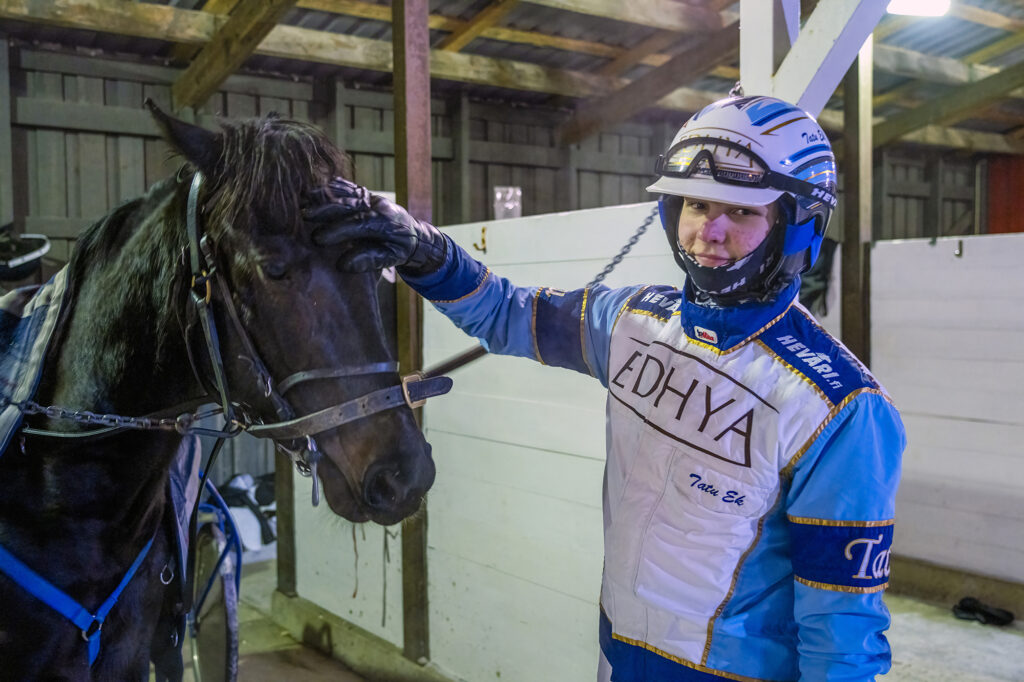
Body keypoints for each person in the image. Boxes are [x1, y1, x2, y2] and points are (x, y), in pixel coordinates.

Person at [306, 95, 906, 682]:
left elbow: (842, 628)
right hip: (617, 650)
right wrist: (422, 249)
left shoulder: (841, 408)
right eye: (695, 205)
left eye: (742, 213)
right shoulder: (630, 323)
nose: (707, 233)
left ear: (799, 225)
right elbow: (507, 315)